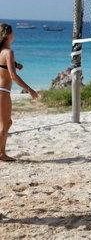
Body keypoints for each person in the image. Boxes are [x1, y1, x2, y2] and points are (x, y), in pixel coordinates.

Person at [0, 23, 38, 162]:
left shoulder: (2, 52)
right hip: (3, 91)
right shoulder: (9, 52)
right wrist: (29, 89)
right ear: (8, 35)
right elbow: (13, 76)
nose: (14, 35)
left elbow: (3, 65)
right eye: (12, 33)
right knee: (5, 124)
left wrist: (16, 64)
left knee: (7, 123)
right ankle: (1, 154)